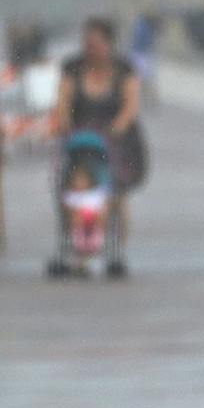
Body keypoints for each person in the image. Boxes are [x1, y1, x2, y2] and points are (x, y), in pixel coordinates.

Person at [53, 17, 146, 278]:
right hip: (80, 140)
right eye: (86, 44)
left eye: (95, 44)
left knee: (116, 192)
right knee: (74, 186)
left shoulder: (124, 69)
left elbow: (130, 107)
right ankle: (77, 249)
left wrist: (115, 130)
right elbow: (62, 103)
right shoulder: (73, 68)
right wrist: (65, 126)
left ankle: (116, 249)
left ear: (108, 44)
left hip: (116, 140)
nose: (89, 49)